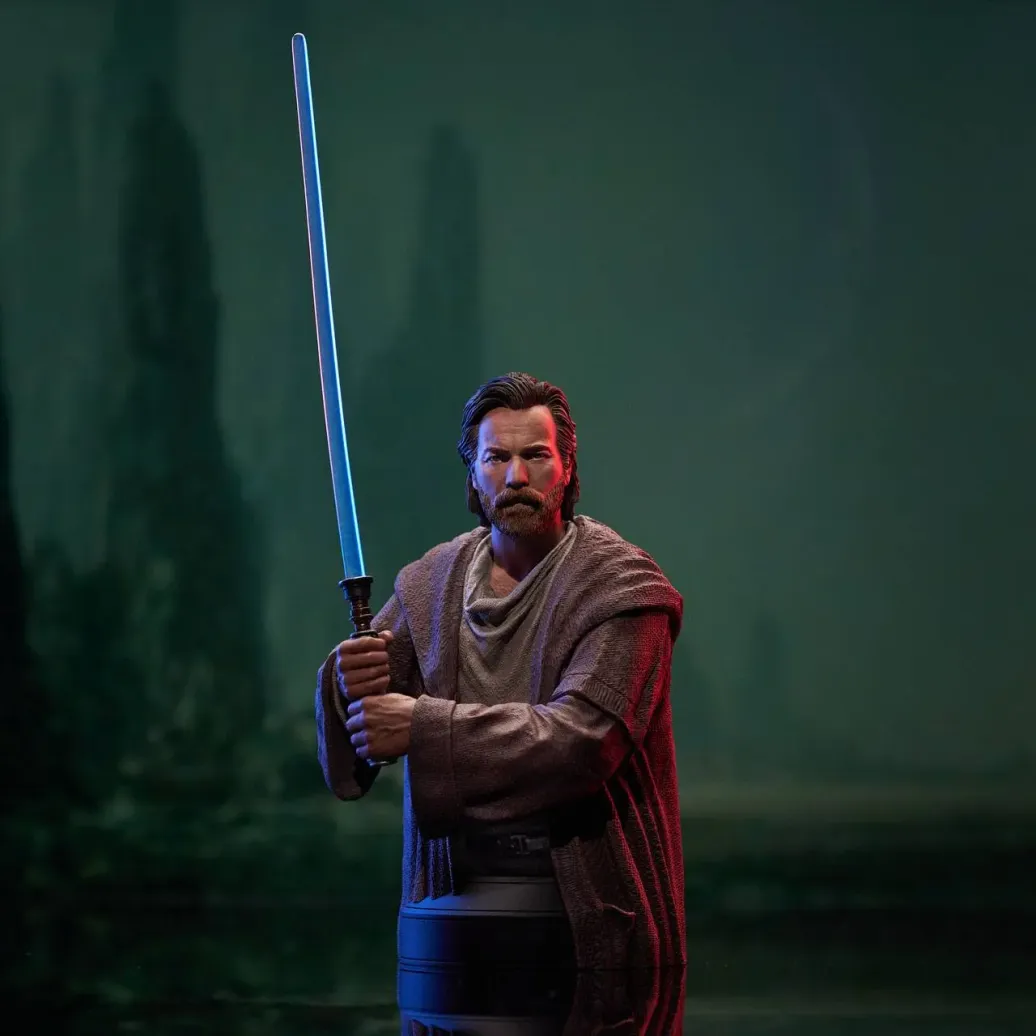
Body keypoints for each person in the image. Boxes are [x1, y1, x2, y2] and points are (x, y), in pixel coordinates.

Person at [314, 372, 685, 971]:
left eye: (535, 455)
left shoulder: (622, 591)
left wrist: (422, 728)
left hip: (585, 922)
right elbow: (362, 731)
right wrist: (345, 682)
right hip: (450, 922)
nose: (515, 477)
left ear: (567, 468)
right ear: (473, 475)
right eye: (496, 458)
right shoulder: (431, 584)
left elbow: (584, 741)